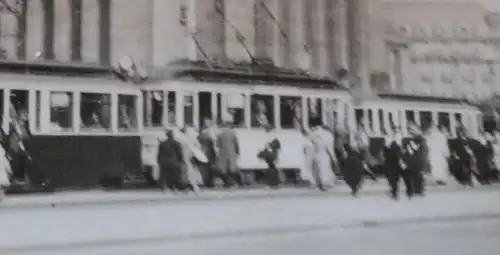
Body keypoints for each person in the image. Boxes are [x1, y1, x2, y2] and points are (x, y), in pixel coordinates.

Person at [310, 124, 337, 191]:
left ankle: (319, 182)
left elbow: (311, 138)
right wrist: (334, 158)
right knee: (324, 169)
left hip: (315, 154)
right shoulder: (329, 136)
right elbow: (330, 149)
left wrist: (317, 131)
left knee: (317, 169)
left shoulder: (316, 136)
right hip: (324, 154)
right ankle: (325, 183)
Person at [215, 121, 241, 187]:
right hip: (231, 152)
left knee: (223, 169)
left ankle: (227, 183)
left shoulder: (220, 134)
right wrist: (238, 152)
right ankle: (234, 182)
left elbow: (217, 144)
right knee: (232, 168)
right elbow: (236, 143)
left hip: (223, 153)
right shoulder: (233, 133)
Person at [402, 128, 426, 197]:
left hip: (416, 160)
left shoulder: (418, 140)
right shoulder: (406, 140)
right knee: (414, 175)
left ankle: (417, 190)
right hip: (412, 160)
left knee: (417, 176)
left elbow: (420, 150)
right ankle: (415, 190)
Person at [384, 128, 406, 200]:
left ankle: (394, 193)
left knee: (392, 180)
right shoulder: (396, 146)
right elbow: (399, 156)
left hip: (391, 165)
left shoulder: (390, 147)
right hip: (394, 165)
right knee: (394, 180)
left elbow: (387, 155)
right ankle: (394, 192)